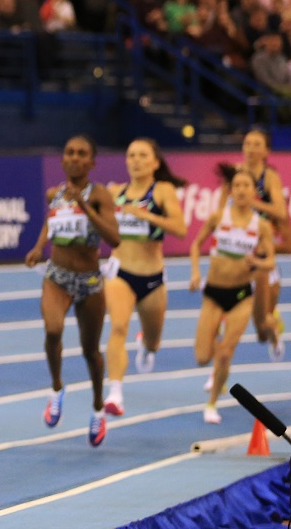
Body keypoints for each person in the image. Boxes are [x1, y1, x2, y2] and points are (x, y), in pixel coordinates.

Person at [25, 135, 121, 447]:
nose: (75, 158)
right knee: (53, 331)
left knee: (90, 351)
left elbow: (114, 238)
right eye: (69, 153)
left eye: (82, 154)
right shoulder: (54, 193)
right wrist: (39, 246)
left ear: (92, 162)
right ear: (63, 160)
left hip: (90, 281)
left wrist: (84, 205)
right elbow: (50, 223)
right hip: (57, 275)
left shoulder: (101, 195)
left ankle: (96, 409)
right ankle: (56, 389)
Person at [101, 139, 187, 417]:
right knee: (117, 327)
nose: (136, 160)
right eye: (131, 155)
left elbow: (180, 228)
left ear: (155, 162)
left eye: (142, 155)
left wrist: (146, 216)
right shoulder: (114, 192)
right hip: (120, 273)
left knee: (153, 341)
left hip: (152, 279)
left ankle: (146, 348)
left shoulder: (162, 191)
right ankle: (115, 393)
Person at [190, 168, 277, 424]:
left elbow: (271, 261)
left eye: (245, 185)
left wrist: (257, 263)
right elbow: (196, 245)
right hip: (214, 293)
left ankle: (212, 403)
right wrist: (195, 273)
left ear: (254, 192)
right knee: (202, 357)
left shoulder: (261, 225)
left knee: (226, 353)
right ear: (231, 190)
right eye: (236, 185)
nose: (240, 190)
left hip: (241, 294)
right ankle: (217, 368)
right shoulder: (218, 216)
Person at [218, 129, 291, 362]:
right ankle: (217, 374)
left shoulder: (269, 178)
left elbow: (280, 211)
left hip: (260, 258)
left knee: (262, 329)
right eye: (247, 143)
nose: (250, 148)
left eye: (257, 144)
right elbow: (219, 214)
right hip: (234, 258)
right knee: (220, 314)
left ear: (266, 151)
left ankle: (274, 331)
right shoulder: (233, 175)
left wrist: (253, 202)